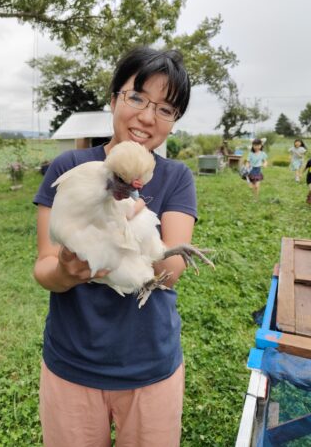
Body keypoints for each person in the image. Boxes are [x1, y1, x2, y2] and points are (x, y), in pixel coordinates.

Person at [33, 47, 197, 447]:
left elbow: (170, 273)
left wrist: (134, 226)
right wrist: (66, 273)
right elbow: (44, 267)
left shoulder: (176, 177)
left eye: (165, 109)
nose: (146, 116)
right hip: (72, 364)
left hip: (150, 367)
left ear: (174, 122)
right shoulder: (70, 169)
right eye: (137, 97)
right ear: (113, 99)